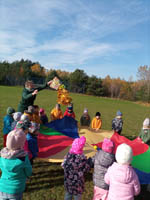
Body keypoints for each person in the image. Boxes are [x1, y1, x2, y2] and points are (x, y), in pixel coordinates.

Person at [0, 129, 32, 200]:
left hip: (2, 187)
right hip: (16, 189)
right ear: (22, 144)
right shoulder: (23, 158)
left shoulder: (2, 156)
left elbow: (1, 168)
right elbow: (29, 172)